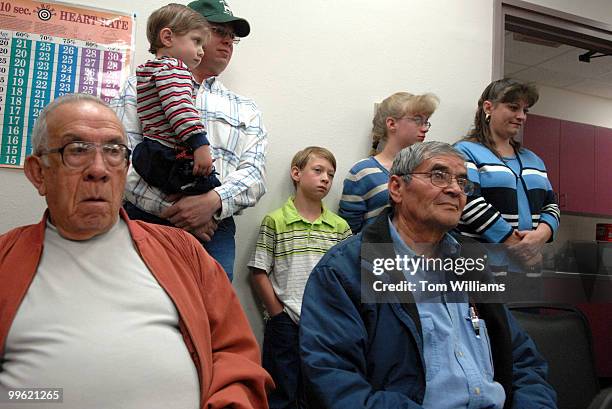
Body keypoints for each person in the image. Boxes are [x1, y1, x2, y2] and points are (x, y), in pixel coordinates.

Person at [0, 94, 272, 409]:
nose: (99, 169)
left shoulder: (183, 252)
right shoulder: (6, 260)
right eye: (76, 150)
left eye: (114, 151)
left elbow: (235, 357)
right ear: (38, 173)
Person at [299, 142, 557, 408]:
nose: (455, 189)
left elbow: (523, 360)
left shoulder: (472, 261)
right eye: (439, 175)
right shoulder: (346, 271)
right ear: (397, 188)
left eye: (462, 182)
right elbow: (335, 384)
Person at [111, 0, 267, 281]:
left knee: (211, 317)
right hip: (147, 220)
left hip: (215, 228)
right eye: (219, 31)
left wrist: (211, 202)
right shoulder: (139, 85)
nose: (228, 42)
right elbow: (120, 159)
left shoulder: (245, 108)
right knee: (139, 312)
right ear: (180, 33)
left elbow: (255, 176)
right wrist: (181, 213)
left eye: (233, 38)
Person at [248, 147, 351, 409]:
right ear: (297, 173)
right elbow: (259, 270)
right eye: (317, 171)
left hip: (326, 325)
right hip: (286, 324)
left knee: (320, 390)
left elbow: (349, 277)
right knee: (283, 392)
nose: (325, 178)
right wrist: (278, 314)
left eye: (330, 173)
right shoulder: (276, 221)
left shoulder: (340, 227)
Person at [454, 79, 560, 274]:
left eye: (525, 110)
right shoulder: (464, 151)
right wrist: (521, 249)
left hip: (529, 270)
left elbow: (551, 205)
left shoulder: (534, 160)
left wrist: (542, 235)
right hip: (483, 268)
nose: (521, 116)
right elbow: (468, 202)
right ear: (489, 107)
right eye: (513, 108)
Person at [132, 4, 218, 196]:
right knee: (210, 192)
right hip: (171, 152)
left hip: (150, 149)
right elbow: (179, 108)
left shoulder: (149, 70)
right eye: (196, 42)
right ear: (168, 37)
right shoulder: (174, 68)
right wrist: (200, 143)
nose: (201, 51)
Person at [338, 91, 438, 234]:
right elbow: (348, 233)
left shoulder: (428, 169)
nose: (424, 128)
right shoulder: (363, 172)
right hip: (377, 253)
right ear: (392, 124)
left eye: (426, 122)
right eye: (417, 120)